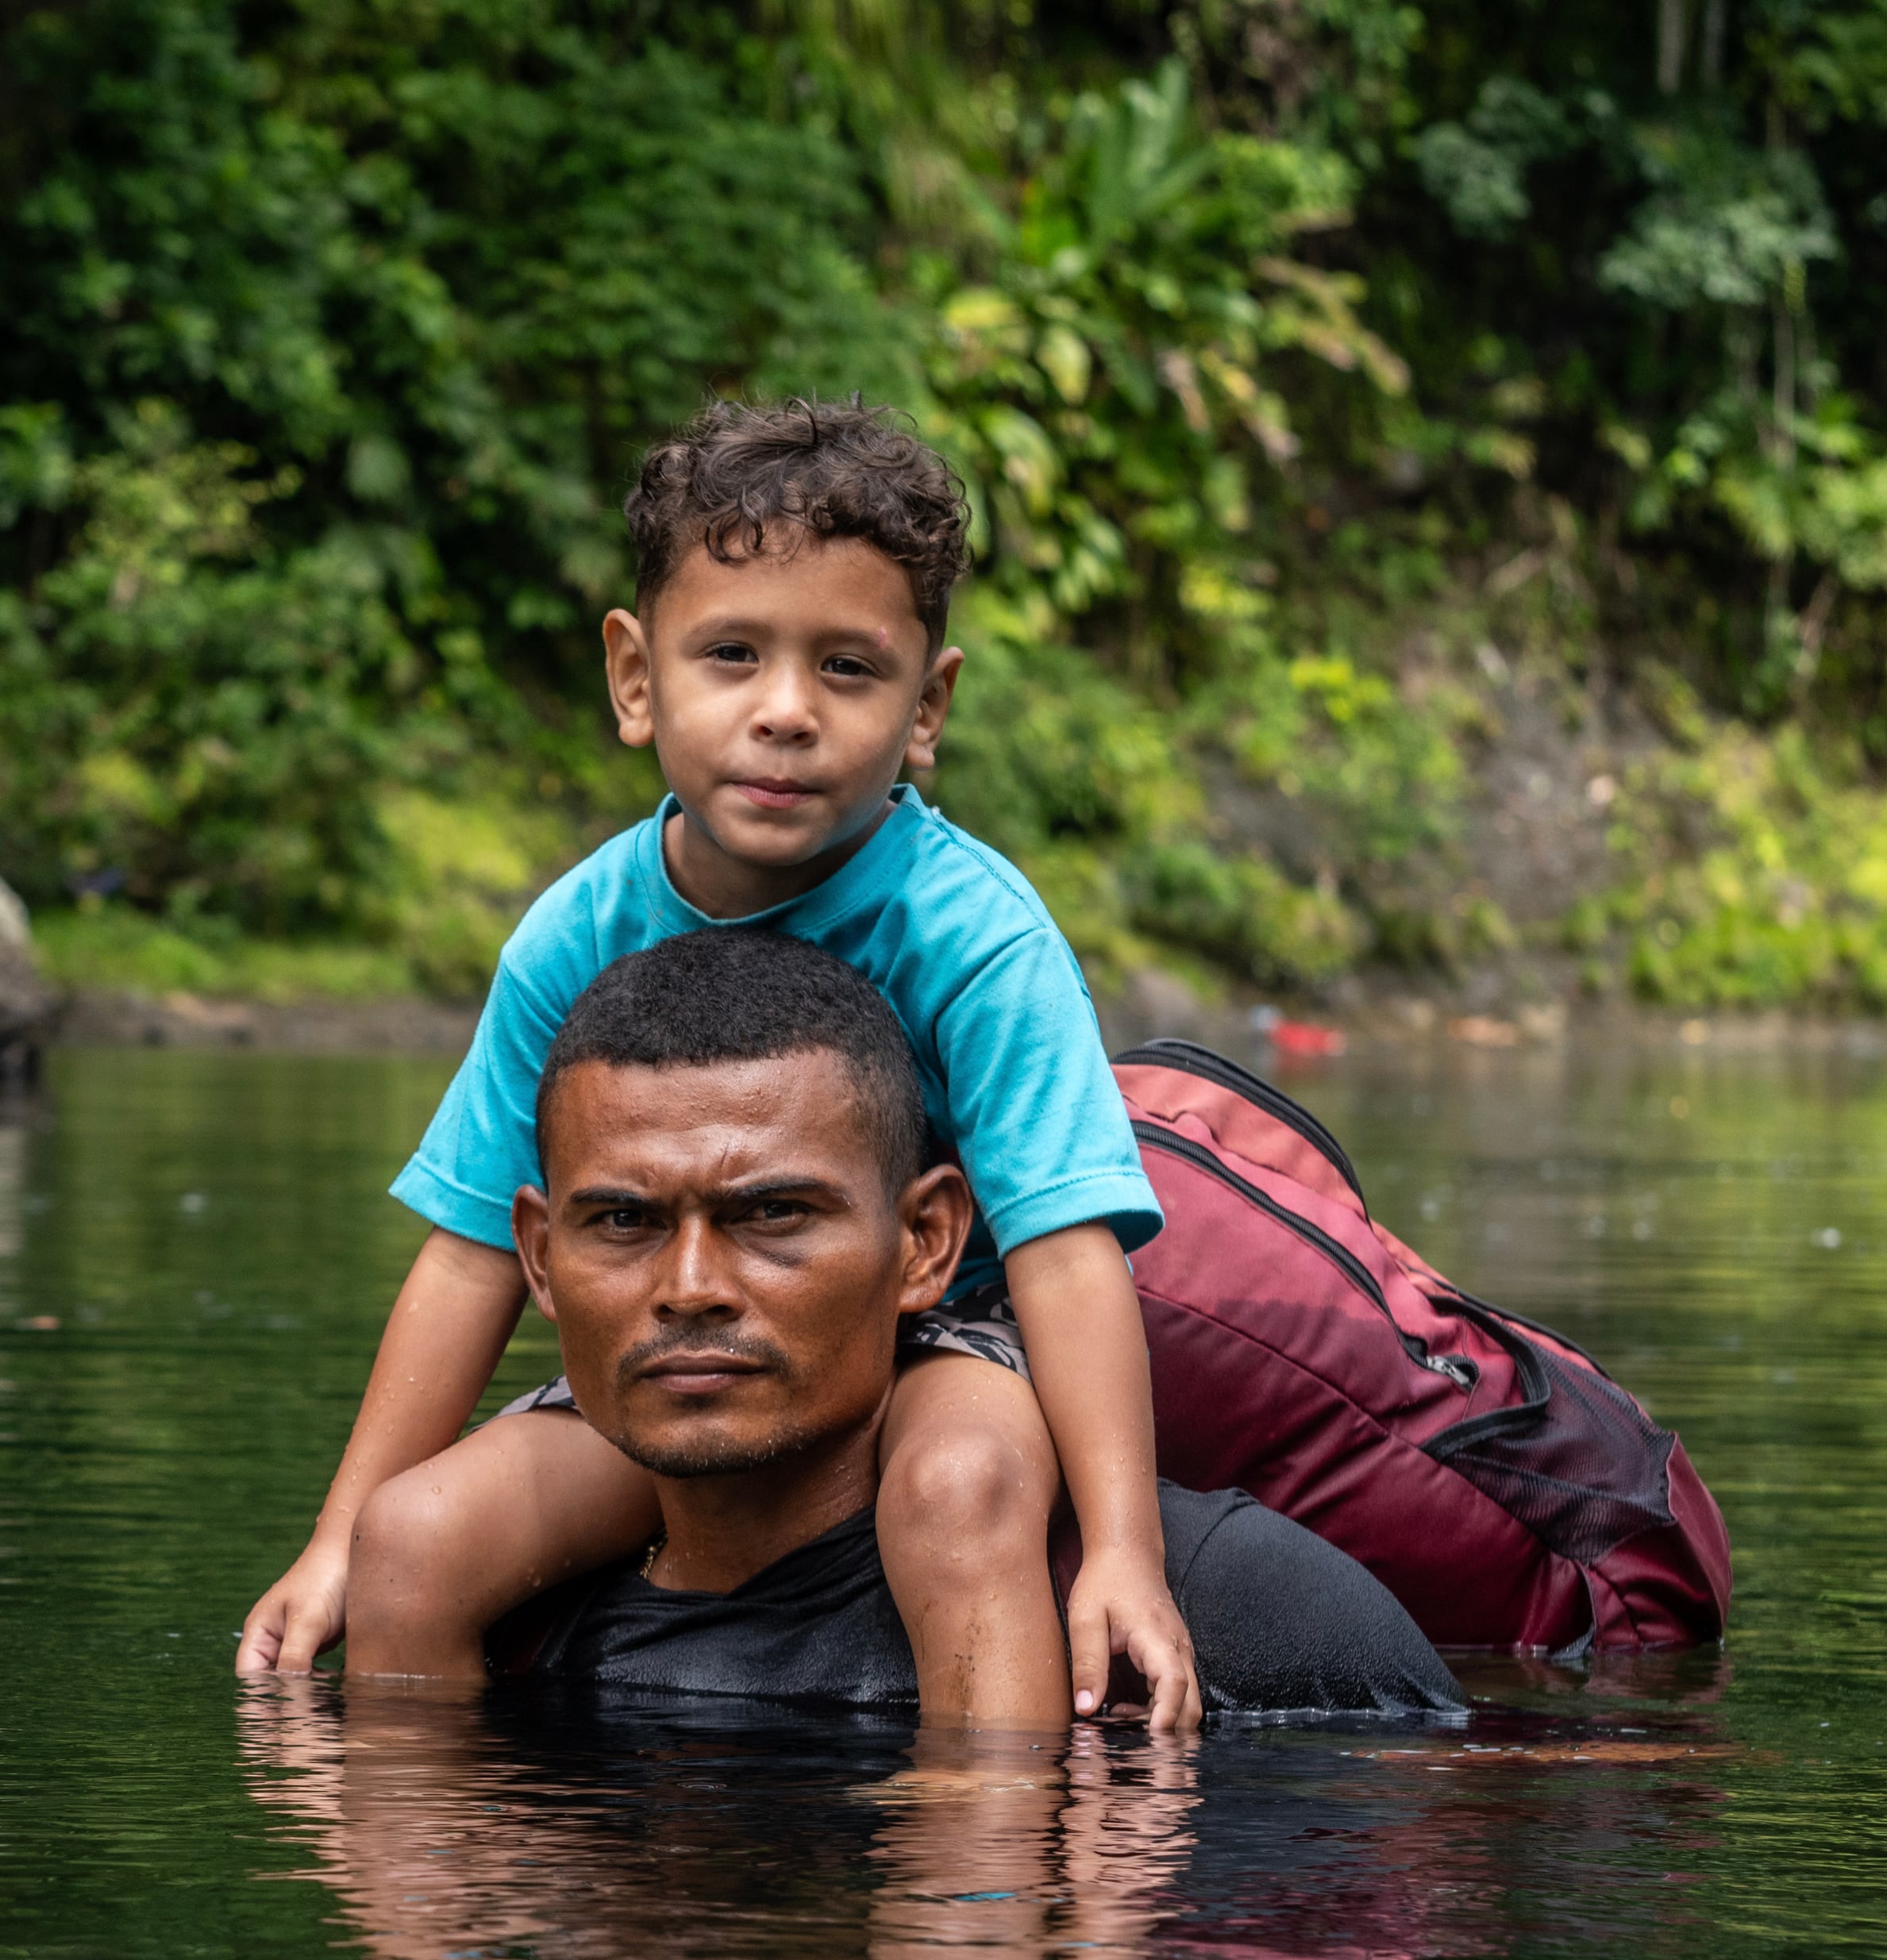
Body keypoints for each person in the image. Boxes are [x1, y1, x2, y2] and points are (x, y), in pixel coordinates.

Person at [236, 394, 1198, 1730]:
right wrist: (337, 1539)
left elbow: (1061, 1246)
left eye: (848, 670)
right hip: (677, 1358)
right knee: (417, 1539)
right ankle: (446, 1908)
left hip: (939, 1343)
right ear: (636, 679)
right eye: (732, 655)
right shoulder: (576, 933)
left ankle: (984, 1894)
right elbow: (470, 1246)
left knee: (955, 1493)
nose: (786, 714)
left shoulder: (977, 936)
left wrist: (1121, 1556)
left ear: (929, 705)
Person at [393, 929, 1464, 1723]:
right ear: (537, 1257)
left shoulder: (1229, 1611)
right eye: (621, 1222)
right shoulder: (492, 1622)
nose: (689, 1287)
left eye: (773, 1215)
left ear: (925, 1246)